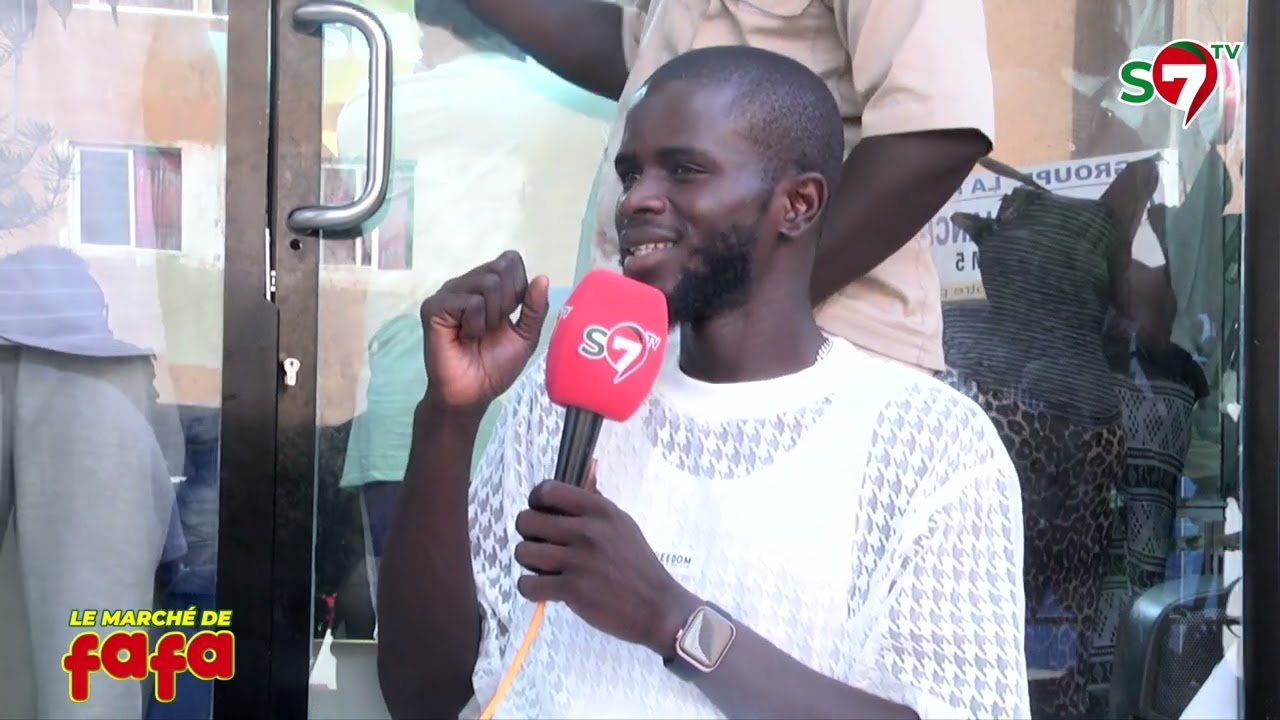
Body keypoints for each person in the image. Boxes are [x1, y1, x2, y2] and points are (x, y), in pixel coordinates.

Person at [377, 47, 1029, 719]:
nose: (636, 199)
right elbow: (426, 698)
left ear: (798, 204)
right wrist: (447, 421)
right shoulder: (562, 398)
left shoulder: (926, 443)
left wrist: (671, 619)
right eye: (631, 173)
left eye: (684, 170)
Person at [418, 0, 995, 374]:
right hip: (665, 351)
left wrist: (754, 311)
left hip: (822, 358)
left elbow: (933, 131)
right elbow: (638, 53)